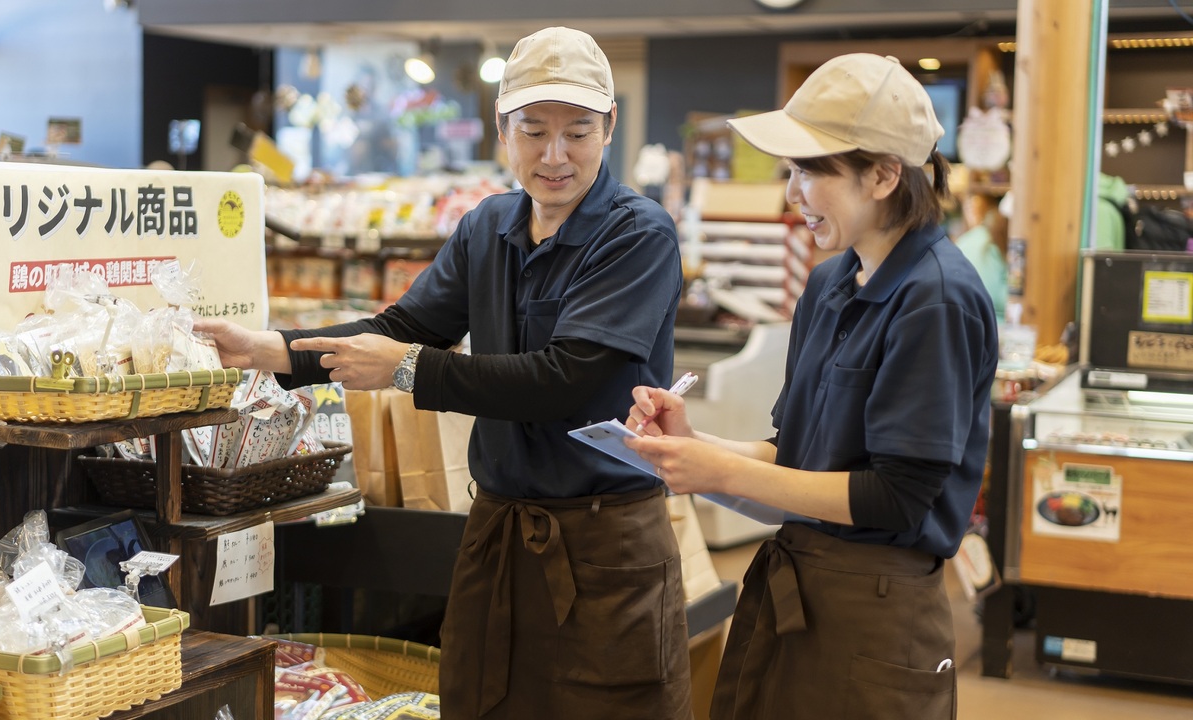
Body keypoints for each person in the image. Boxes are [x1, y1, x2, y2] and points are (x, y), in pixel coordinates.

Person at [195, 26, 691, 720]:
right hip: (497, 533)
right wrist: (271, 350)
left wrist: (409, 371)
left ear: (609, 127)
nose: (554, 155)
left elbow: (566, 379)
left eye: (577, 133)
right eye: (534, 131)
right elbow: (404, 328)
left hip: (604, 542)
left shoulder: (637, 234)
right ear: (502, 130)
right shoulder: (487, 226)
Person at [624, 53, 998, 720]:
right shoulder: (829, 283)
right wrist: (693, 447)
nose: (793, 193)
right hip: (800, 594)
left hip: (878, 616)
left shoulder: (937, 299)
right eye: (790, 171)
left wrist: (720, 473)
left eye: (810, 171)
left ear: (883, 174)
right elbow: (794, 459)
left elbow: (896, 497)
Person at [953, 192, 1007, 322]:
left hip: (964, 320)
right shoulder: (989, 243)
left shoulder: (962, 241)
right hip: (992, 323)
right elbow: (996, 296)